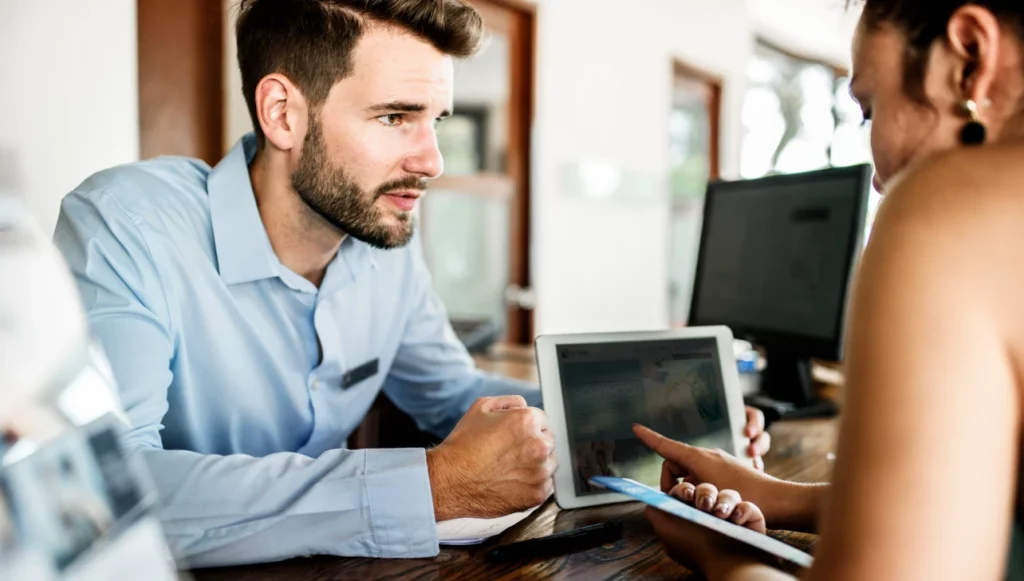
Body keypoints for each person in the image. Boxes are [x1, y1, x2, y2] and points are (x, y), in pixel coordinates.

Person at [51, 0, 771, 568]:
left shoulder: (382, 239)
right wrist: (427, 487)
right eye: (396, 117)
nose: (431, 159)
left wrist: (652, 416)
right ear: (283, 113)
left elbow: (451, 393)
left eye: (436, 120)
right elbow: (105, 496)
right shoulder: (126, 226)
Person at [632, 1, 1024, 580]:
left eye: (869, 109)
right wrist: (773, 494)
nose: (881, 176)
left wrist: (724, 555)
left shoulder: (951, 208)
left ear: (969, 58)